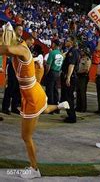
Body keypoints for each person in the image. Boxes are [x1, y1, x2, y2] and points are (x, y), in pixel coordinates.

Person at [0, 23, 69, 179]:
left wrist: (6, 38)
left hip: (31, 95)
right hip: (32, 92)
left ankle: (34, 169)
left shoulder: (21, 49)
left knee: (26, 136)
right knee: (43, 109)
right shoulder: (20, 47)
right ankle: (59, 105)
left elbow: (7, 49)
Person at [60, 36, 80, 123]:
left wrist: (68, 77)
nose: (65, 42)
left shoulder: (73, 51)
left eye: (67, 40)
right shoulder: (70, 51)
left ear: (71, 42)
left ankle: (72, 117)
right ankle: (70, 115)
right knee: (66, 96)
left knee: (69, 97)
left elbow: (71, 65)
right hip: (68, 76)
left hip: (70, 77)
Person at [44, 39, 64, 113]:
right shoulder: (61, 54)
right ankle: (57, 107)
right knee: (55, 90)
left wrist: (46, 73)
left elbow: (48, 66)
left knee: (50, 90)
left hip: (51, 72)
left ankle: (51, 108)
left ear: (55, 44)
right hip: (57, 73)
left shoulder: (52, 53)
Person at [76, 48, 91, 113]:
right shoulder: (81, 59)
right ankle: (78, 106)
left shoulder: (87, 59)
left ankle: (83, 107)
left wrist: (78, 72)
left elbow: (86, 70)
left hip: (83, 77)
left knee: (82, 93)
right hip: (79, 76)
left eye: (82, 51)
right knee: (78, 92)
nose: (81, 52)